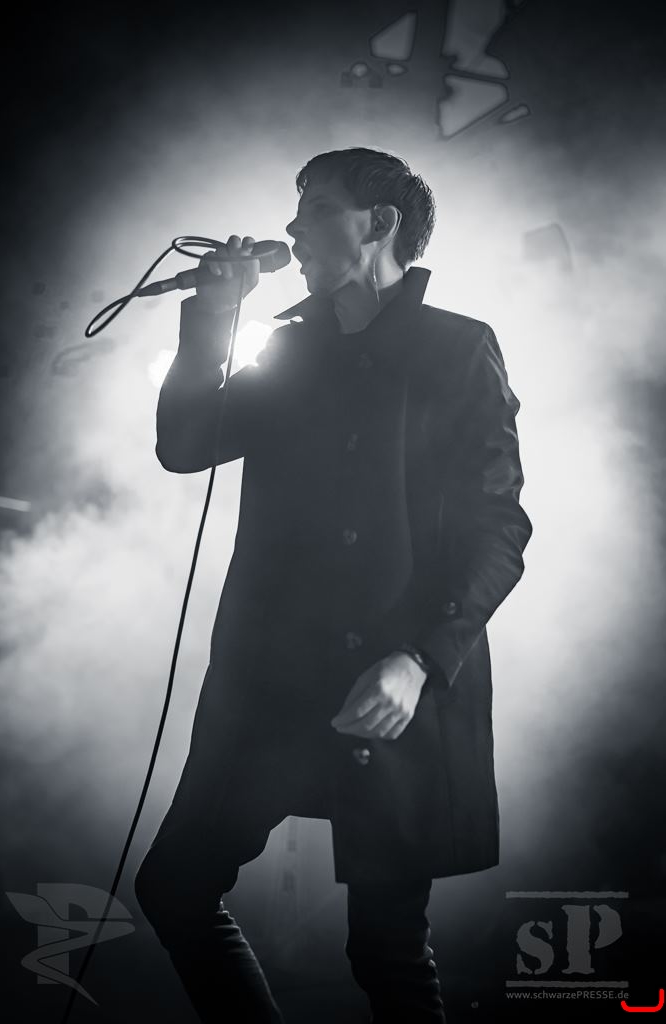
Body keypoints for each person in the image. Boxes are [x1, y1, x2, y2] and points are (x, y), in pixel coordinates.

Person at [134, 147, 533, 1023]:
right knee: (174, 889)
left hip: (387, 682)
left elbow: (498, 528)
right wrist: (213, 315)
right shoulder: (291, 346)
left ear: (379, 223)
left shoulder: (456, 347)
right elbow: (185, 444)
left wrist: (418, 659)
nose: (292, 227)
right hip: (271, 684)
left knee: (384, 951)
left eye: (315, 207)